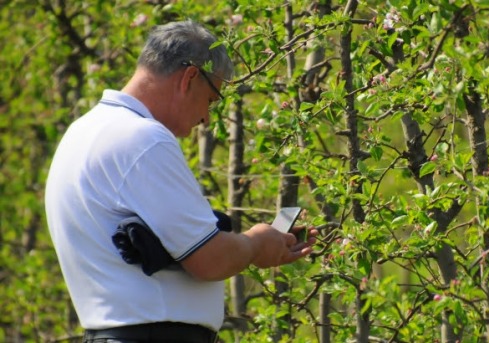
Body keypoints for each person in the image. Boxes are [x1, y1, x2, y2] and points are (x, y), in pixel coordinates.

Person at [45, 20, 317, 343]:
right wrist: (257, 243)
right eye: (211, 99)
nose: (205, 118)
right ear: (190, 78)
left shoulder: (81, 133)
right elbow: (209, 259)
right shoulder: (143, 139)